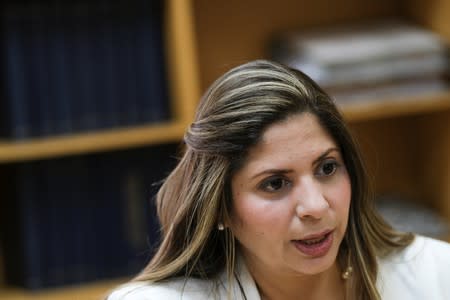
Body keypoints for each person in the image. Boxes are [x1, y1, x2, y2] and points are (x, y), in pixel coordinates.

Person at [107, 60, 450, 300]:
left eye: (327, 168)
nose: (315, 206)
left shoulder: (436, 275)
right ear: (221, 209)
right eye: (274, 183)